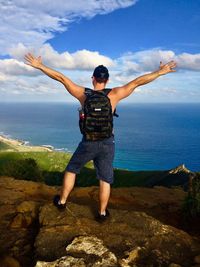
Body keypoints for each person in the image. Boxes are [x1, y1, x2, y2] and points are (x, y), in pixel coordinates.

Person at [24, 53, 177, 221]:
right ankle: (102, 213)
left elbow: (61, 78)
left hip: (88, 142)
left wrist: (40, 66)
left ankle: (61, 202)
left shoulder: (83, 94)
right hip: (107, 142)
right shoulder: (115, 94)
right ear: (107, 80)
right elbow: (137, 82)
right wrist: (159, 72)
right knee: (105, 178)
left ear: (93, 79)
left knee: (71, 170)